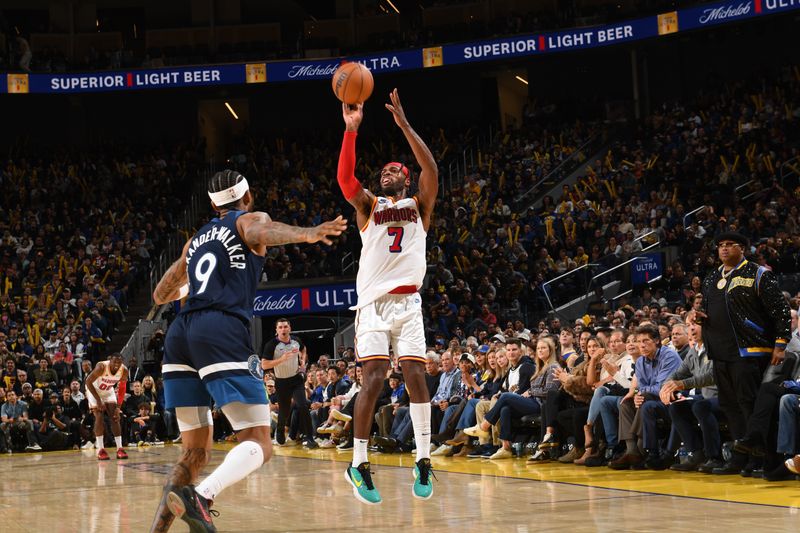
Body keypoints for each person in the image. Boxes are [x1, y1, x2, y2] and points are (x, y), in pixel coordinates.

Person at [149, 169, 346, 533]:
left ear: (211, 204)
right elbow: (262, 231)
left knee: (194, 452)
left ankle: (158, 529)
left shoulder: (194, 242)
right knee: (259, 442)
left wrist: (185, 286)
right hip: (219, 329)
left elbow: (160, 293)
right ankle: (202, 497)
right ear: (248, 197)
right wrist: (308, 233)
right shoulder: (249, 220)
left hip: (180, 335)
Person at [336, 89, 438, 504]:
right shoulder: (369, 206)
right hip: (374, 306)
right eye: (383, 171)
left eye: (394, 170)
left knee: (416, 377)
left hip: (409, 304)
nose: (386, 173)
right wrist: (350, 132)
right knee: (375, 378)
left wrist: (405, 126)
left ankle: (424, 458)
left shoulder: (421, 205)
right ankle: (358, 463)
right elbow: (346, 181)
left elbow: (431, 166)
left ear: (406, 177)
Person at [689, 232, 791, 475]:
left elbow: (781, 310)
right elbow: (709, 307)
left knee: (750, 404)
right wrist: (701, 316)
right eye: (720, 245)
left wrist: (780, 343)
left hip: (750, 349)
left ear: (742, 248)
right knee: (729, 404)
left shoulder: (758, 273)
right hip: (720, 350)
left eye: (729, 245)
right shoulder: (713, 276)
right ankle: (739, 457)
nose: (723, 249)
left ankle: (761, 458)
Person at [260, 318, 315, 448]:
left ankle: (310, 438)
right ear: (276, 330)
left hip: (296, 379)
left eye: (285, 327)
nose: (283, 329)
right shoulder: (271, 345)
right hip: (281, 381)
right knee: (284, 411)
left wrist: (302, 360)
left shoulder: (296, 341)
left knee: (302, 405)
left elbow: (303, 348)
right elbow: (264, 364)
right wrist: (281, 359)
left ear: (289, 328)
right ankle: (280, 430)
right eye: (280, 327)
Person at [85, 352, 129, 461]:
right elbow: (88, 382)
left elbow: (122, 389)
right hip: (94, 390)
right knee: (99, 417)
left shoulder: (124, 371)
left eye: (119, 362)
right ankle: (101, 449)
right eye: (114, 362)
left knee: (115, 417)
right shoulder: (101, 367)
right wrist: (99, 401)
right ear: (110, 361)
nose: (117, 364)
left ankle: (120, 448)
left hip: (108, 390)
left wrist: (118, 407)